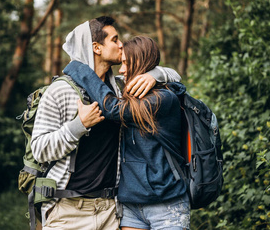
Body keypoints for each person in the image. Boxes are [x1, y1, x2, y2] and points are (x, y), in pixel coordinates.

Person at [31, 17, 181, 230]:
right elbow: (39, 150)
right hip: (69, 211)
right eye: (115, 39)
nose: (121, 44)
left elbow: (175, 78)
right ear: (97, 48)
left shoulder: (122, 89)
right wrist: (78, 126)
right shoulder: (61, 91)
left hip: (111, 211)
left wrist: (156, 74)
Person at [63, 36, 190, 230]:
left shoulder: (164, 98)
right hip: (131, 206)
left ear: (140, 62)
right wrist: (158, 73)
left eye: (125, 63)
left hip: (166, 204)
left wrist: (77, 68)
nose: (121, 70)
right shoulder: (129, 92)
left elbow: (113, 108)